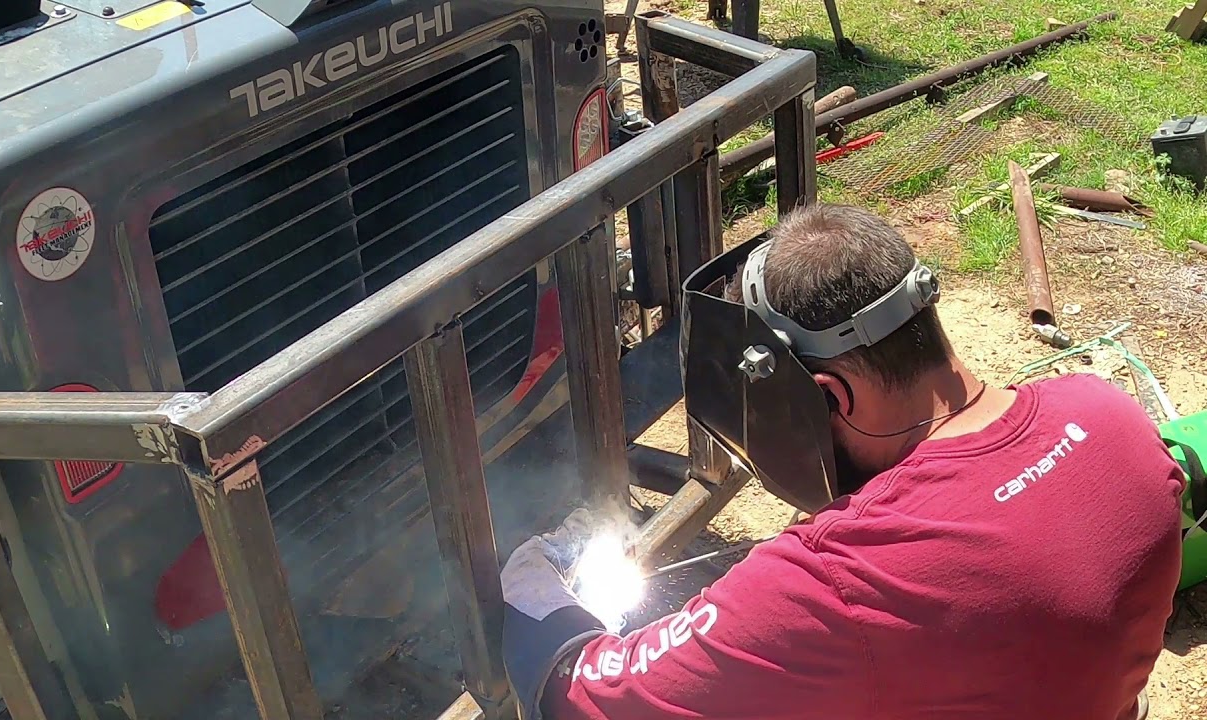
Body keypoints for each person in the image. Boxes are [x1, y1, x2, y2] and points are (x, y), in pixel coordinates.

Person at [500, 203, 1185, 720]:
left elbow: (584, 696)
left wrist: (531, 584)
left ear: (830, 396)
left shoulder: (838, 578)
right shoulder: (1111, 416)